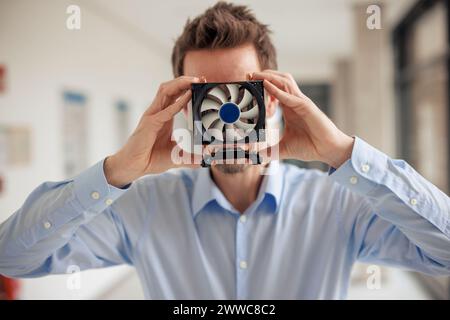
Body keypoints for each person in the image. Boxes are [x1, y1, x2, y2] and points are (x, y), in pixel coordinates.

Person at [0, 2, 449, 299]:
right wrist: (117, 170)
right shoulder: (142, 206)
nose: (229, 111)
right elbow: (14, 257)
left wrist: (344, 154)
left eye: (242, 92)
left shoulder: (337, 203)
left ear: (271, 97)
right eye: (209, 96)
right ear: (180, 106)